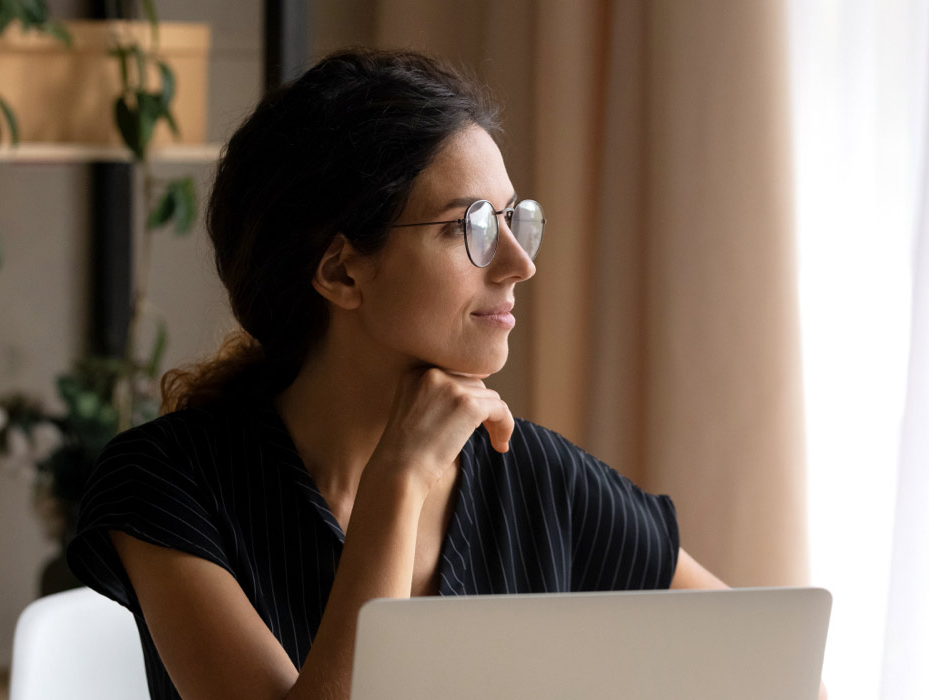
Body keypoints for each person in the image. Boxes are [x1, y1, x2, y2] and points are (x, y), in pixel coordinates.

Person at [67, 48, 728, 700]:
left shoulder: (537, 475)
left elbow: (768, 665)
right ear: (341, 271)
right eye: (467, 225)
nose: (518, 263)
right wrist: (400, 478)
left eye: (511, 219)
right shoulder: (168, 484)